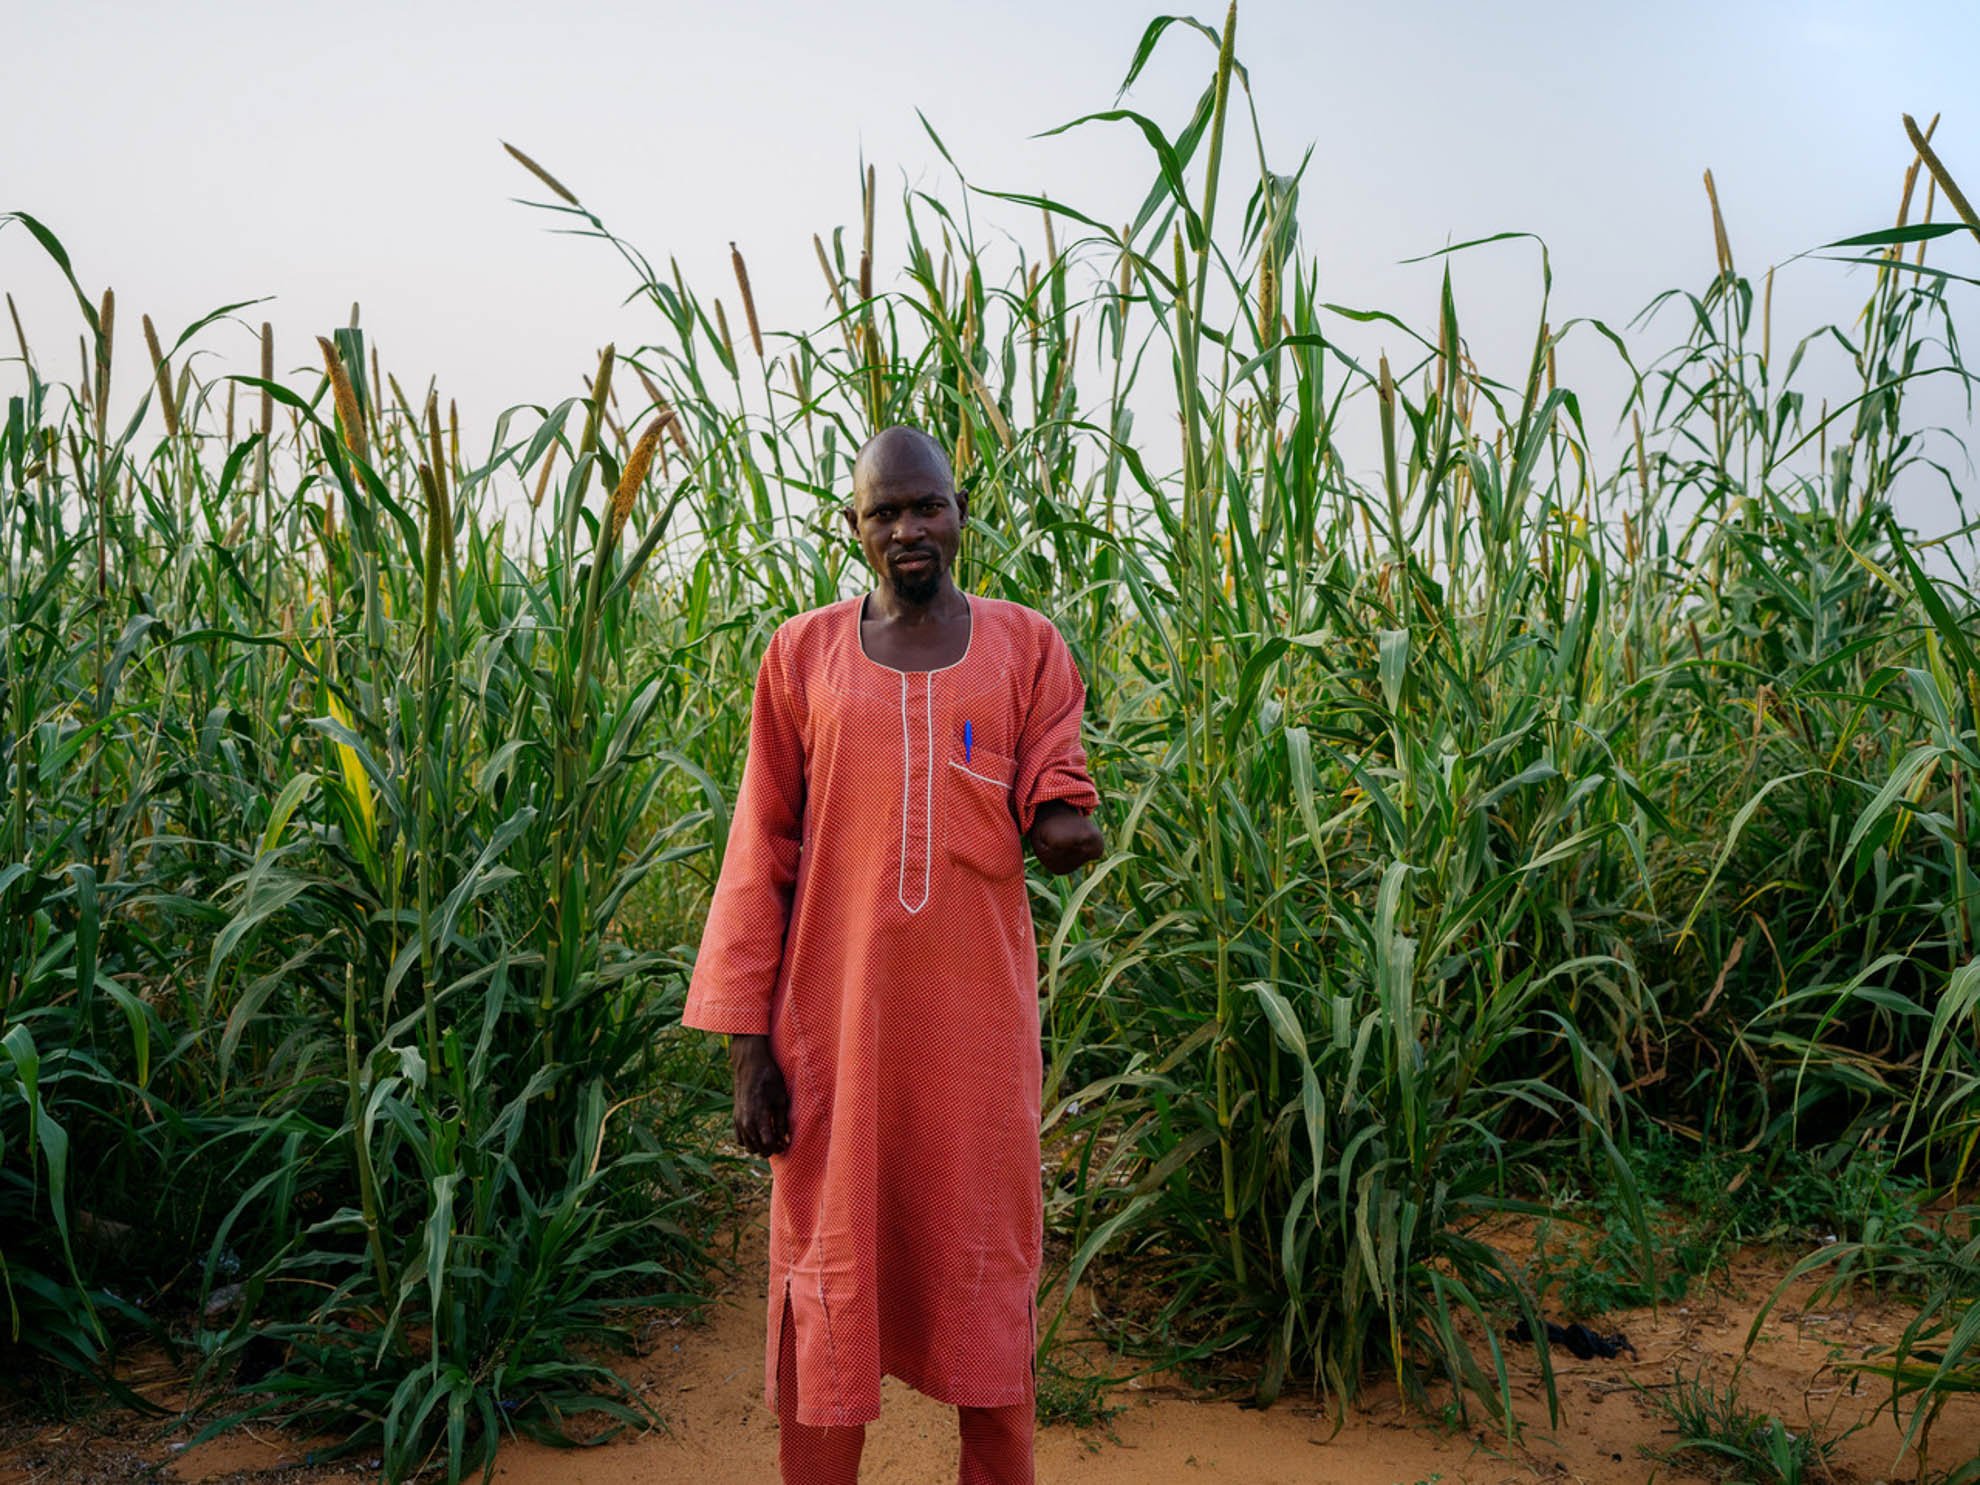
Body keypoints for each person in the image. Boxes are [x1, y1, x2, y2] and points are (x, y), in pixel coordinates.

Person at [680, 424, 1105, 1484]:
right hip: (835, 1042)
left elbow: (1058, 776)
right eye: (886, 512)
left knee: (983, 1287)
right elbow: (758, 848)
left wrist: (1061, 823)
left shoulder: (1026, 646)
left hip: (975, 1045)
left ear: (962, 512)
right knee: (830, 1289)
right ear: (855, 528)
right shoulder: (801, 656)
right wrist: (747, 1050)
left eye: (928, 506)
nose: (910, 528)